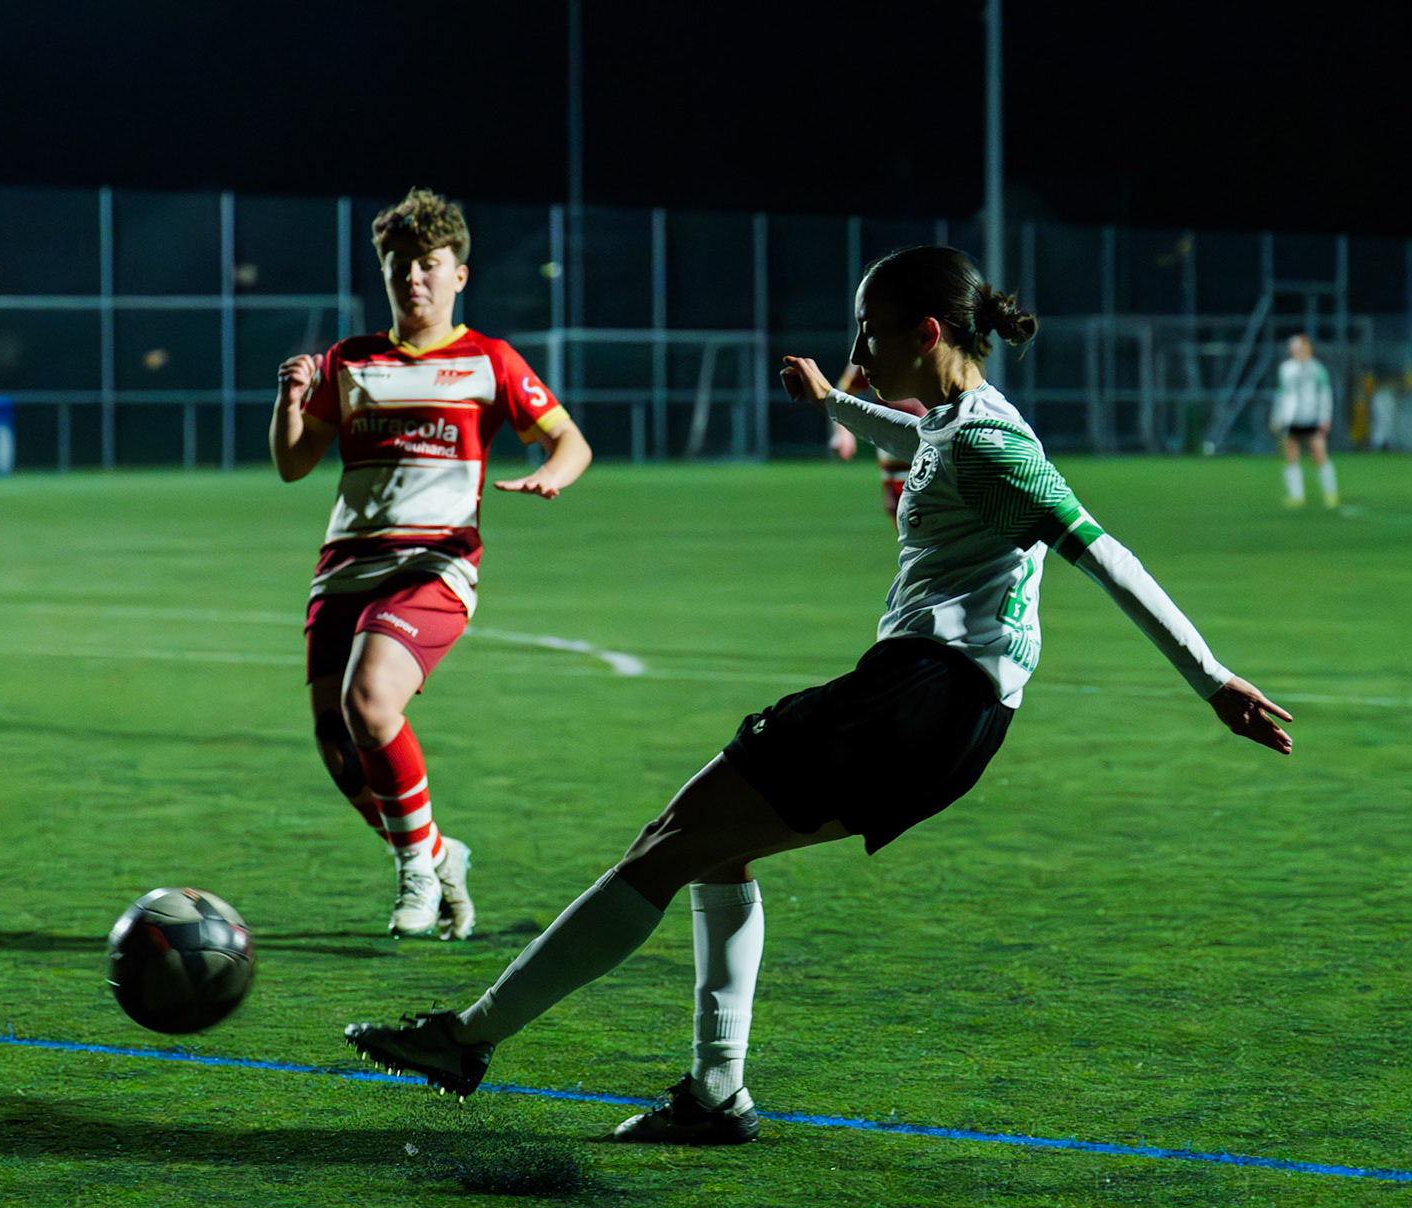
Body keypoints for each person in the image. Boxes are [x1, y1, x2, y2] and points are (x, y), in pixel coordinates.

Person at [346, 245, 1292, 1143]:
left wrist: (1211, 680)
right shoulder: (961, 422)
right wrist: (836, 399)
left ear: (926, 332)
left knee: (669, 843)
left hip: (922, 699)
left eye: (868, 334)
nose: (856, 351)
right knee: (715, 853)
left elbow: (1102, 548)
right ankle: (715, 1093)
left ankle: (468, 1039)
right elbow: (920, 434)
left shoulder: (998, 448)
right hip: (941, 708)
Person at [272, 187, 593, 941]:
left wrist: (555, 473)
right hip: (344, 568)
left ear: (458, 275)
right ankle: (439, 854)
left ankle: (416, 871)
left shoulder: (489, 360)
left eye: (428, 265)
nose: (413, 278)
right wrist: (290, 402)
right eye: (399, 265)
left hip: (435, 563)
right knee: (341, 748)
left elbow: (568, 439)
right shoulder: (348, 362)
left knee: (371, 701)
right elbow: (294, 465)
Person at [829, 362, 925, 528]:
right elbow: (844, 390)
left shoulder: (946, 346)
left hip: (939, 444)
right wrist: (843, 432)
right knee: (906, 520)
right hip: (895, 452)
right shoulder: (877, 345)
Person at [1270, 334, 1337, 507]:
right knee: (1291, 456)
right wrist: (1277, 417)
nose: (1298, 352)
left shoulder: (1317, 369)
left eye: (1301, 348)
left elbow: (1325, 395)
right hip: (1292, 420)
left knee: (1319, 454)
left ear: (1309, 349)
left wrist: (1325, 417)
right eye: (1295, 349)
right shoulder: (1286, 369)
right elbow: (1281, 394)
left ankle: (1330, 493)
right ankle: (1296, 496)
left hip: (1312, 418)